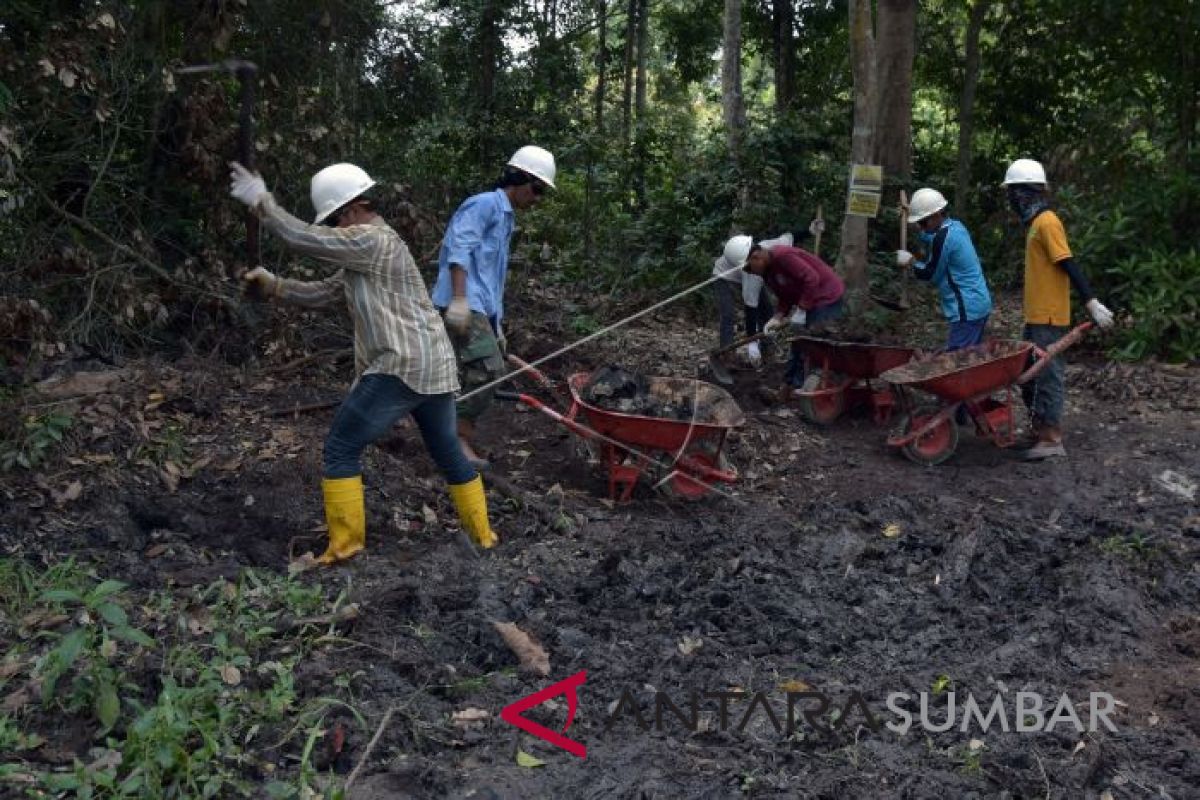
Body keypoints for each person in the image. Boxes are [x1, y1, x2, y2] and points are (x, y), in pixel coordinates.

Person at [228, 161, 500, 563]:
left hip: (402, 364)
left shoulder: (372, 241)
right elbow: (323, 292)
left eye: (337, 220)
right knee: (448, 453)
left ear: (354, 208)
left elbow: (305, 239)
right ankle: (483, 537)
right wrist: (277, 287)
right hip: (435, 368)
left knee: (340, 445)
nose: (338, 229)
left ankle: (345, 548)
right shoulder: (368, 255)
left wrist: (263, 204)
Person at [431, 146, 556, 469]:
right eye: (537, 189)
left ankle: (447, 435)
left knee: (465, 372)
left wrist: (496, 327)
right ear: (519, 178)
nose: (538, 198)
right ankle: (456, 440)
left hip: (479, 306)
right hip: (461, 301)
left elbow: (490, 279)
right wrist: (459, 300)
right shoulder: (484, 204)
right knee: (488, 371)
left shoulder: (506, 219)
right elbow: (459, 251)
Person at [1002, 158, 1115, 460]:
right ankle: (1039, 429)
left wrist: (1091, 302)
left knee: (1047, 374)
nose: (1011, 200)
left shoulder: (1047, 222)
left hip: (1049, 315)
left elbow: (1068, 263)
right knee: (1028, 374)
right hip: (1037, 314)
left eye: (1012, 192)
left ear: (1025, 192)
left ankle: (1051, 439)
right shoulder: (1036, 223)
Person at [895, 187, 993, 350]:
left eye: (923, 222)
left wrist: (911, 261)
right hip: (979, 303)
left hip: (966, 309)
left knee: (958, 362)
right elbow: (930, 235)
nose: (922, 227)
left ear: (937, 215)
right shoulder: (956, 226)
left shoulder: (943, 238)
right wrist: (911, 218)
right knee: (970, 356)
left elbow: (930, 274)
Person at [743, 240, 846, 392]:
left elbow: (812, 278)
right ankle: (791, 383)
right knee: (798, 341)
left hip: (826, 295)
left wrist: (802, 309)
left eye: (749, 268)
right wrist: (777, 317)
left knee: (813, 343)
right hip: (810, 298)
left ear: (757, 257)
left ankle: (814, 384)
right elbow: (785, 295)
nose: (751, 273)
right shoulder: (767, 272)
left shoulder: (784, 257)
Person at [712, 233, 786, 366]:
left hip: (751, 275)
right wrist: (752, 342)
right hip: (722, 276)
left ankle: (767, 347)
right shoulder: (750, 272)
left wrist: (810, 230)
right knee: (728, 314)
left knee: (767, 309)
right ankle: (727, 354)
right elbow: (750, 308)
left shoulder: (768, 248)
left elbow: (790, 239)